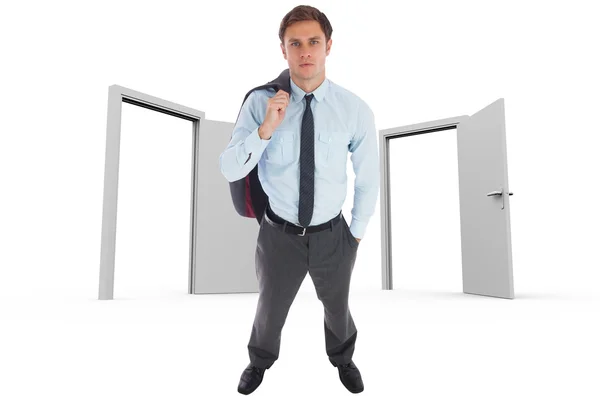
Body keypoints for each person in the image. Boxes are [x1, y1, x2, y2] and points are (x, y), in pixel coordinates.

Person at [219, 5, 379, 395]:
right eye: (296, 43)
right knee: (270, 308)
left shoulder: (353, 109)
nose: (305, 51)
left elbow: (368, 177)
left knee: (337, 307)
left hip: (333, 235)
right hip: (279, 235)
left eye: (313, 42)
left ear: (328, 46)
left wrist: (354, 234)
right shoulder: (261, 103)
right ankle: (259, 362)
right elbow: (228, 168)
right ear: (283, 50)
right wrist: (265, 129)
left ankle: (343, 358)